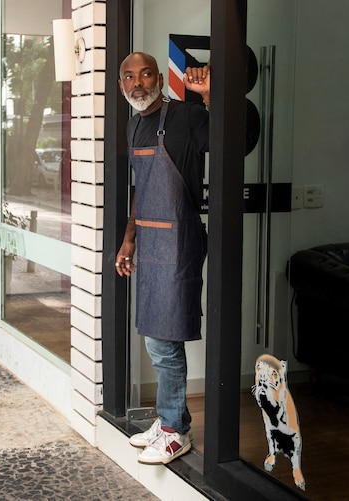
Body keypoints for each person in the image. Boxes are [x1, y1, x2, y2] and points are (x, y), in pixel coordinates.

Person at [116, 52, 210, 465]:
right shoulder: (135, 122)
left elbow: (232, 141)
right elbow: (142, 186)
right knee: (156, 336)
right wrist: (129, 239)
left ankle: (175, 432)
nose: (137, 83)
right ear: (122, 84)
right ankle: (170, 417)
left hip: (179, 242)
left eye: (145, 74)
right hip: (151, 242)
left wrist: (210, 99)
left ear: (158, 78)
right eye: (129, 76)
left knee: (164, 339)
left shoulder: (187, 117)